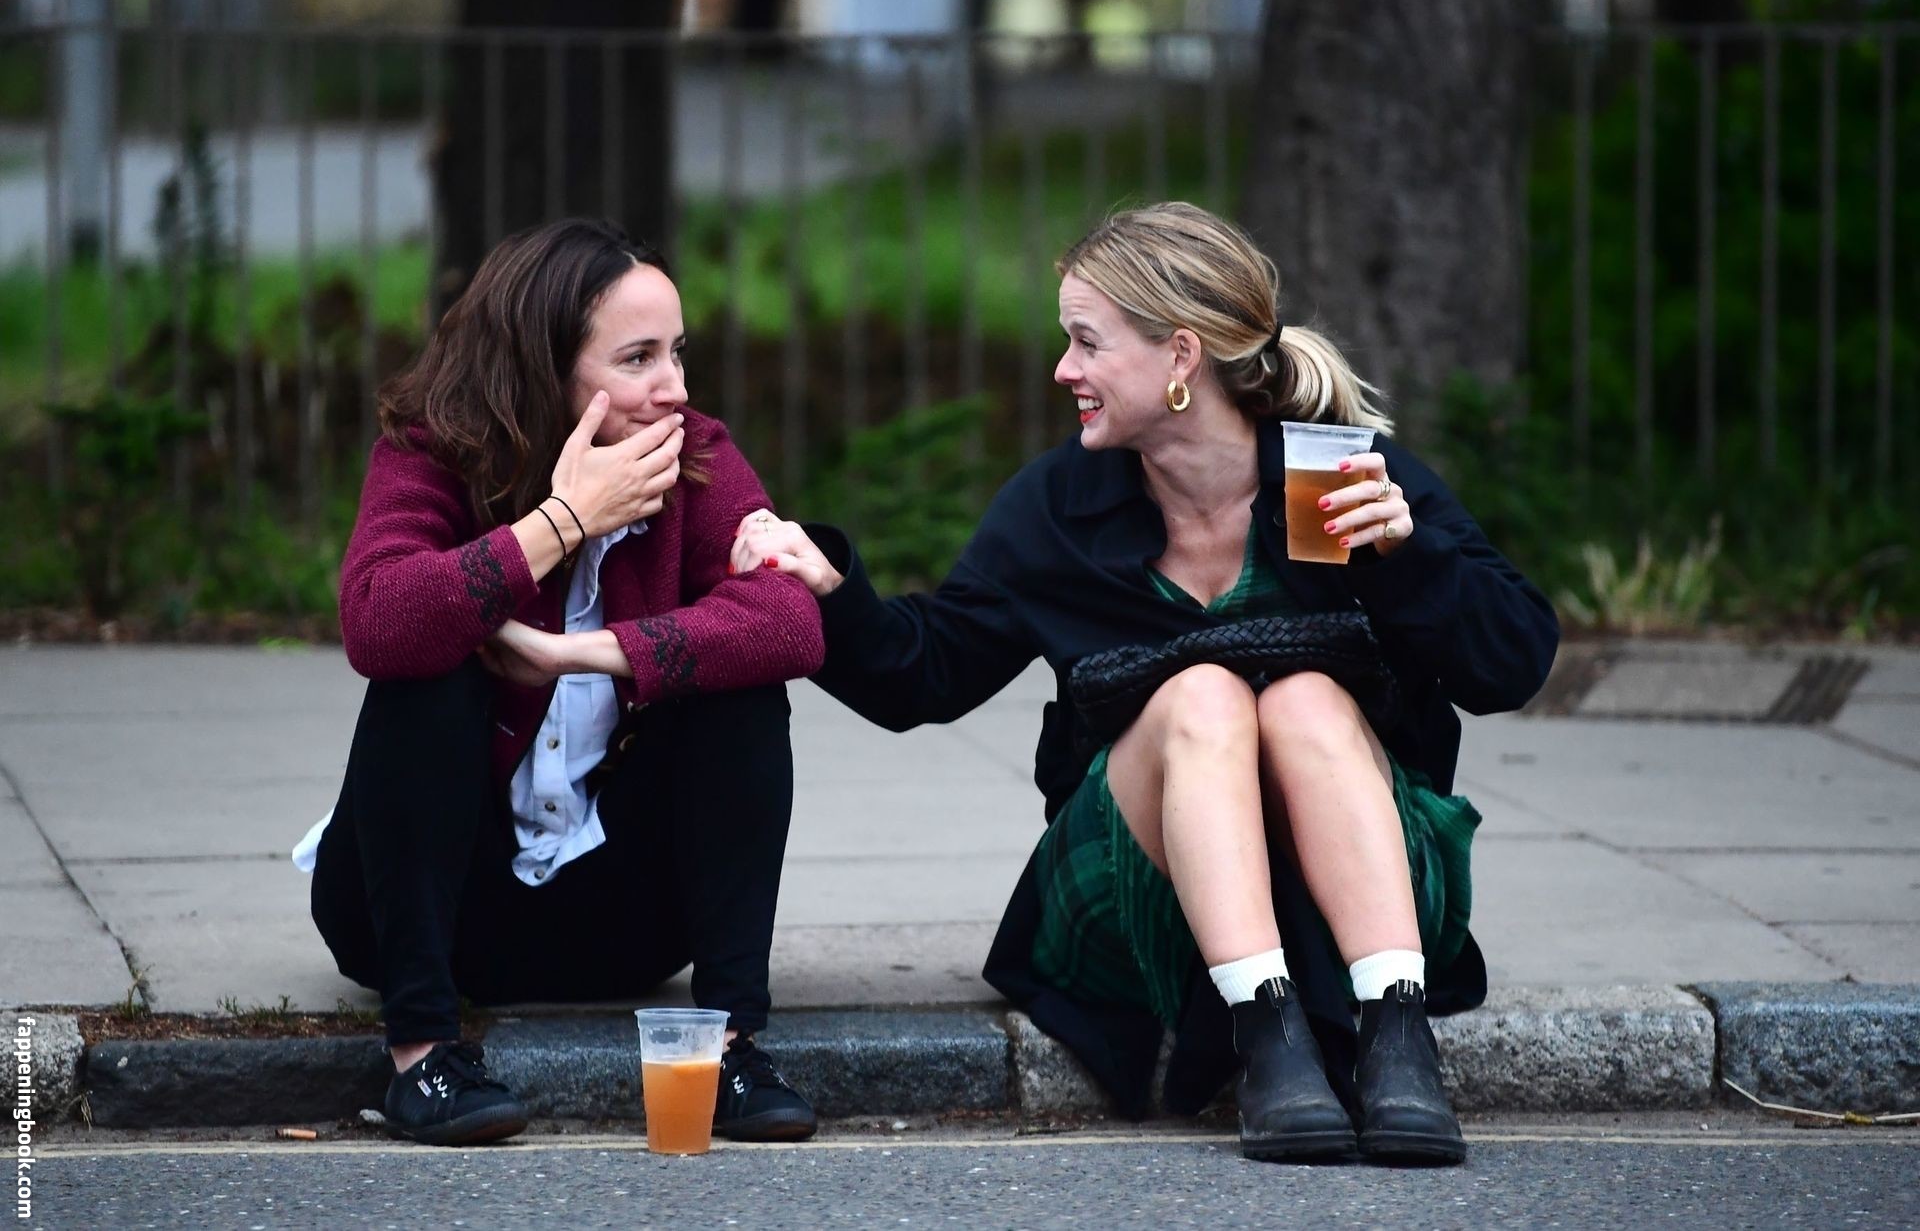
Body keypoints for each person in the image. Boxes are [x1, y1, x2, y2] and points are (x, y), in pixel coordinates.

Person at [730, 202, 1558, 1166]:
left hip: (1365, 880)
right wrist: (829, 588)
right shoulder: (1062, 509)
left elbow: (1512, 662)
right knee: (1203, 693)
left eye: (1087, 342)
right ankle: (1269, 1038)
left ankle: (1397, 1033)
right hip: (1141, 887)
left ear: (1180, 356)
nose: (1063, 370)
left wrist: (1409, 559)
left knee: (1302, 695)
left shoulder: (1330, 482)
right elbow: (927, 671)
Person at [290, 218, 825, 1146]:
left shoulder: (692, 452)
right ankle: (421, 1058)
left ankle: (730, 1049)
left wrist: (580, 652)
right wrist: (565, 520)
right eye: (639, 358)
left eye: (678, 352)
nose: (675, 386)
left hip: (623, 918)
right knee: (428, 665)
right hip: (435, 915)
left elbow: (790, 623)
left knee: (740, 683)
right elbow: (376, 616)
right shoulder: (432, 450)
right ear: (544, 368)